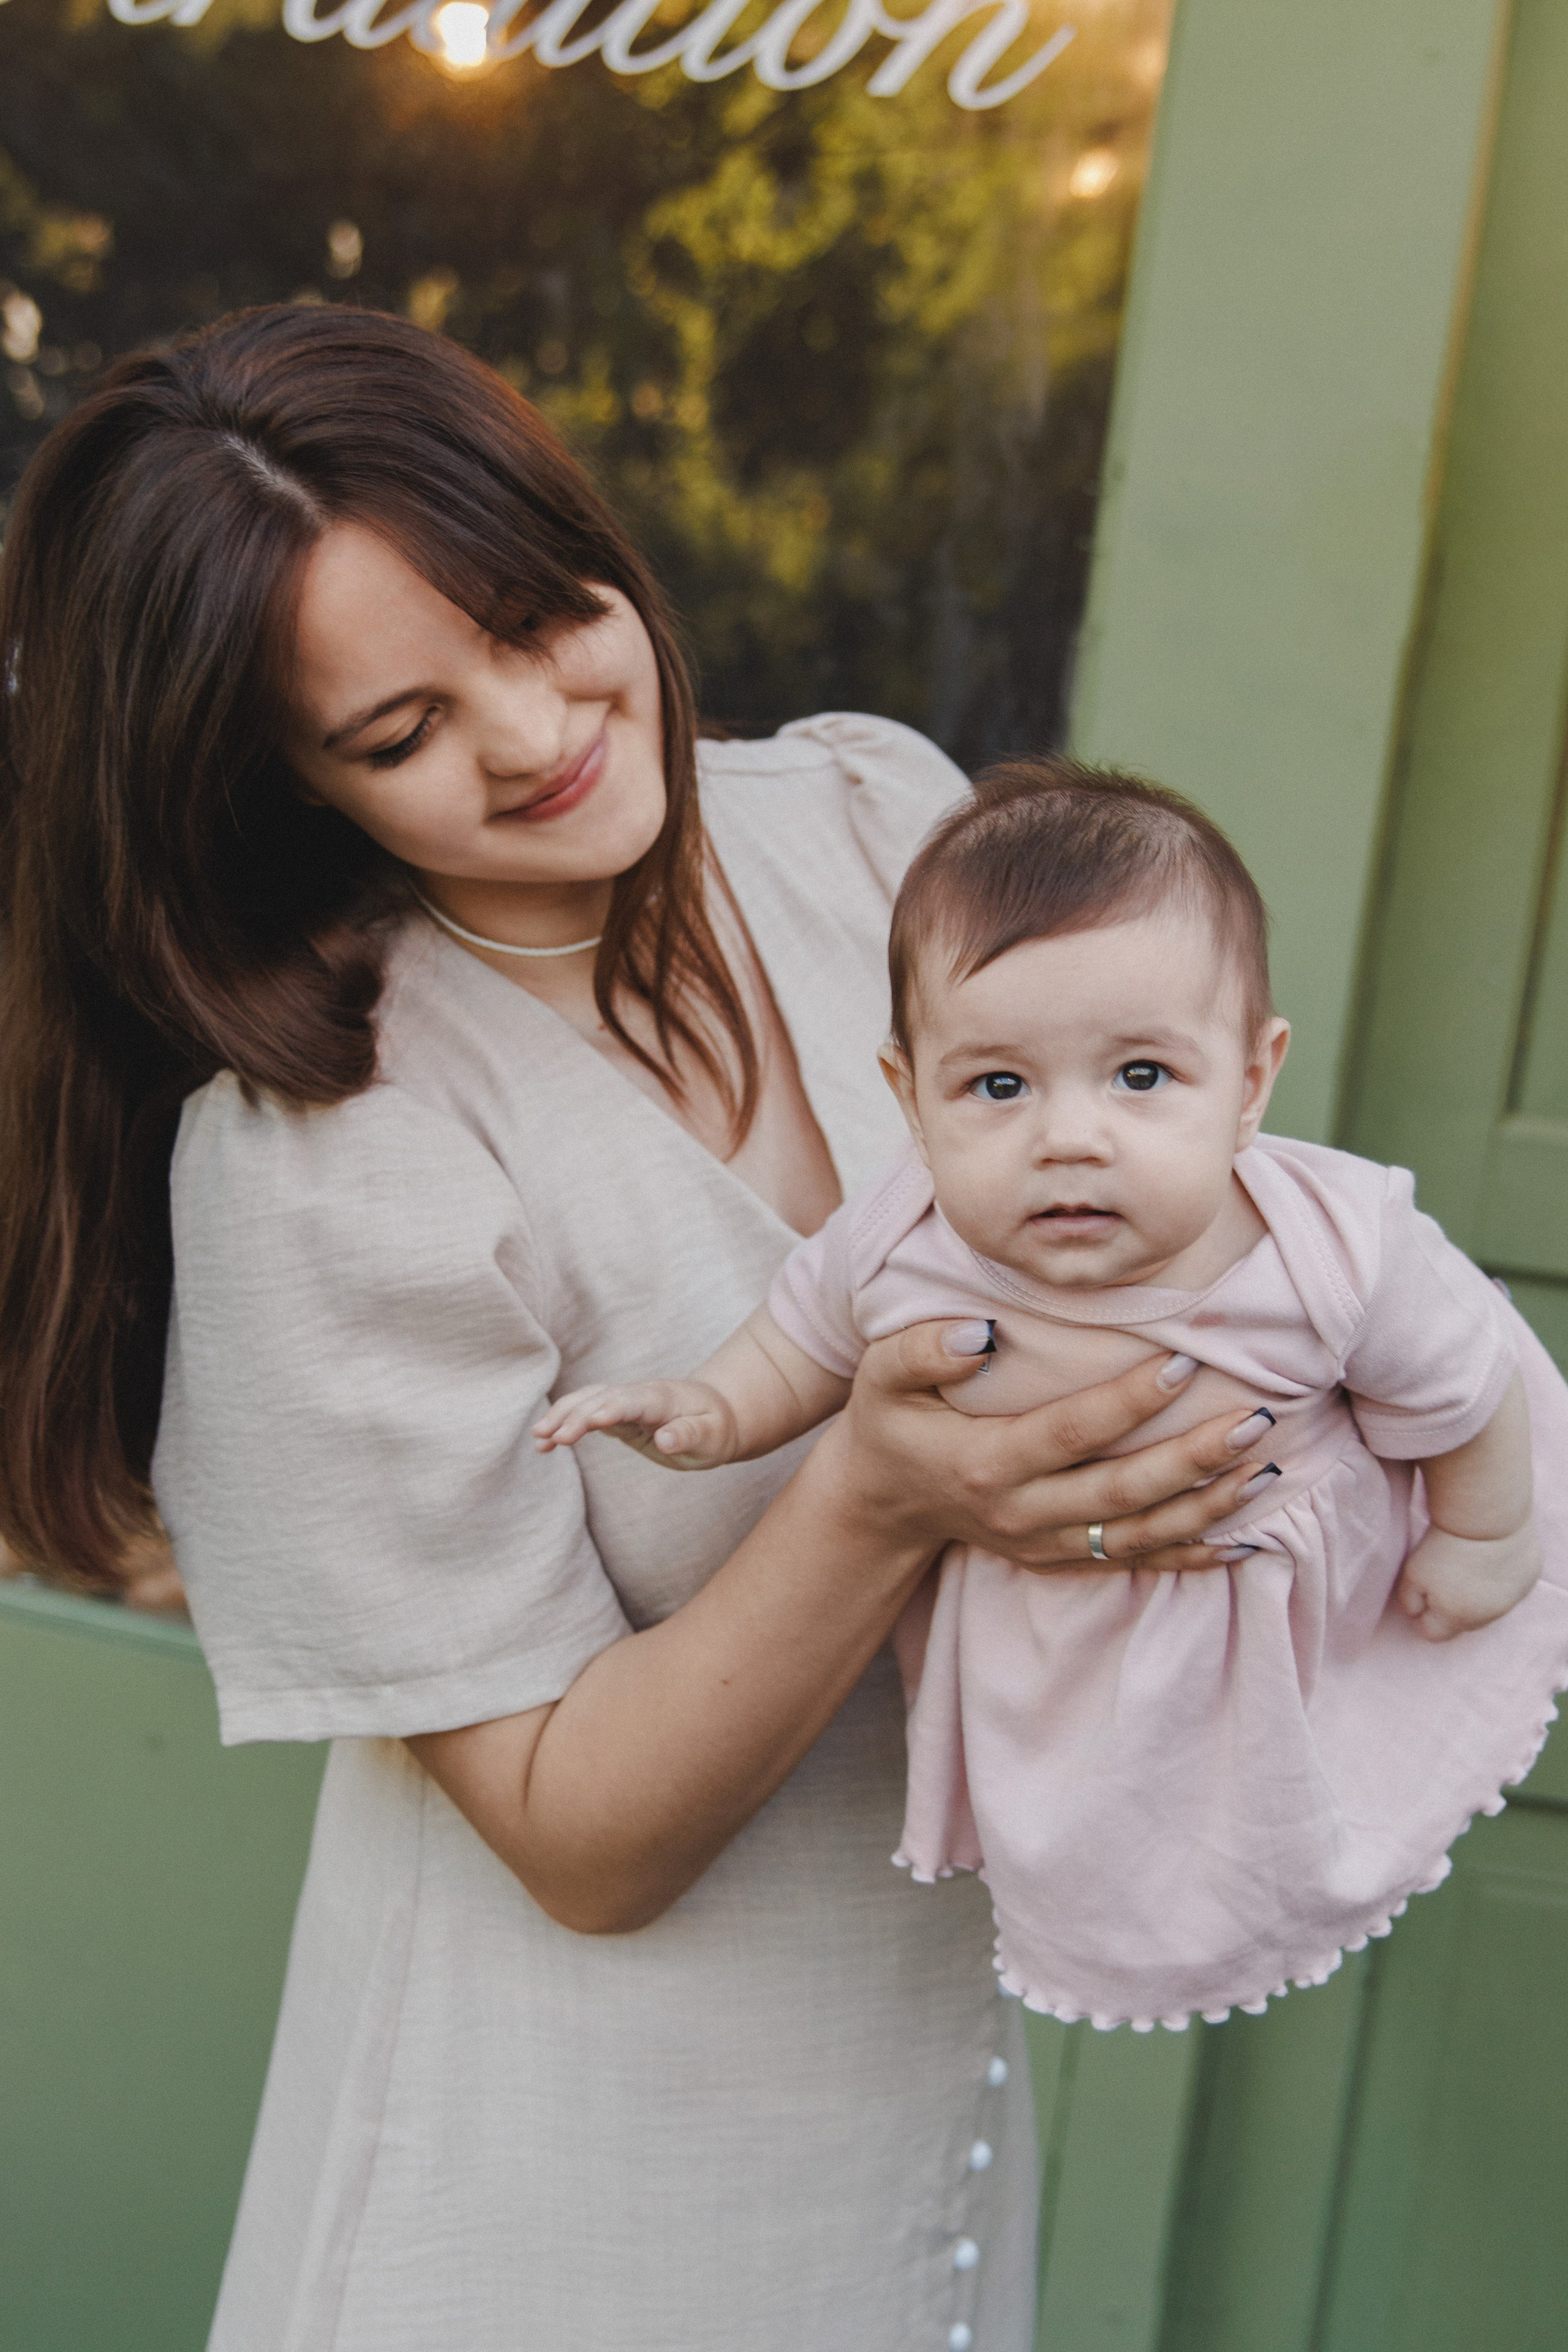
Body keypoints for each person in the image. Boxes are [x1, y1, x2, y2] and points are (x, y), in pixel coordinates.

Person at [0, 307, 1283, 2352]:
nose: (528, 732)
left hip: (913, 2100)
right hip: (559, 2189)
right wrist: (871, 1491)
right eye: (400, 732)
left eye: (530, 616)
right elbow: (579, 1845)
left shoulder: (879, 830)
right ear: (287, 786)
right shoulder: (339, 1151)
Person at [537, 761, 1568, 2033]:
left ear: (1250, 1080)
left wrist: (1480, 1534)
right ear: (908, 1096)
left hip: (1279, 1589)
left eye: (1140, 1077)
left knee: (1272, 1796)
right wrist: (710, 1412)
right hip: (1057, 1629)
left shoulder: (1329, 1249)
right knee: (1100, 1820)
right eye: (997, 1087)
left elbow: (1461, 1388)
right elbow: (799, 1342)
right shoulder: (903, 1236)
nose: (1067, 1138)